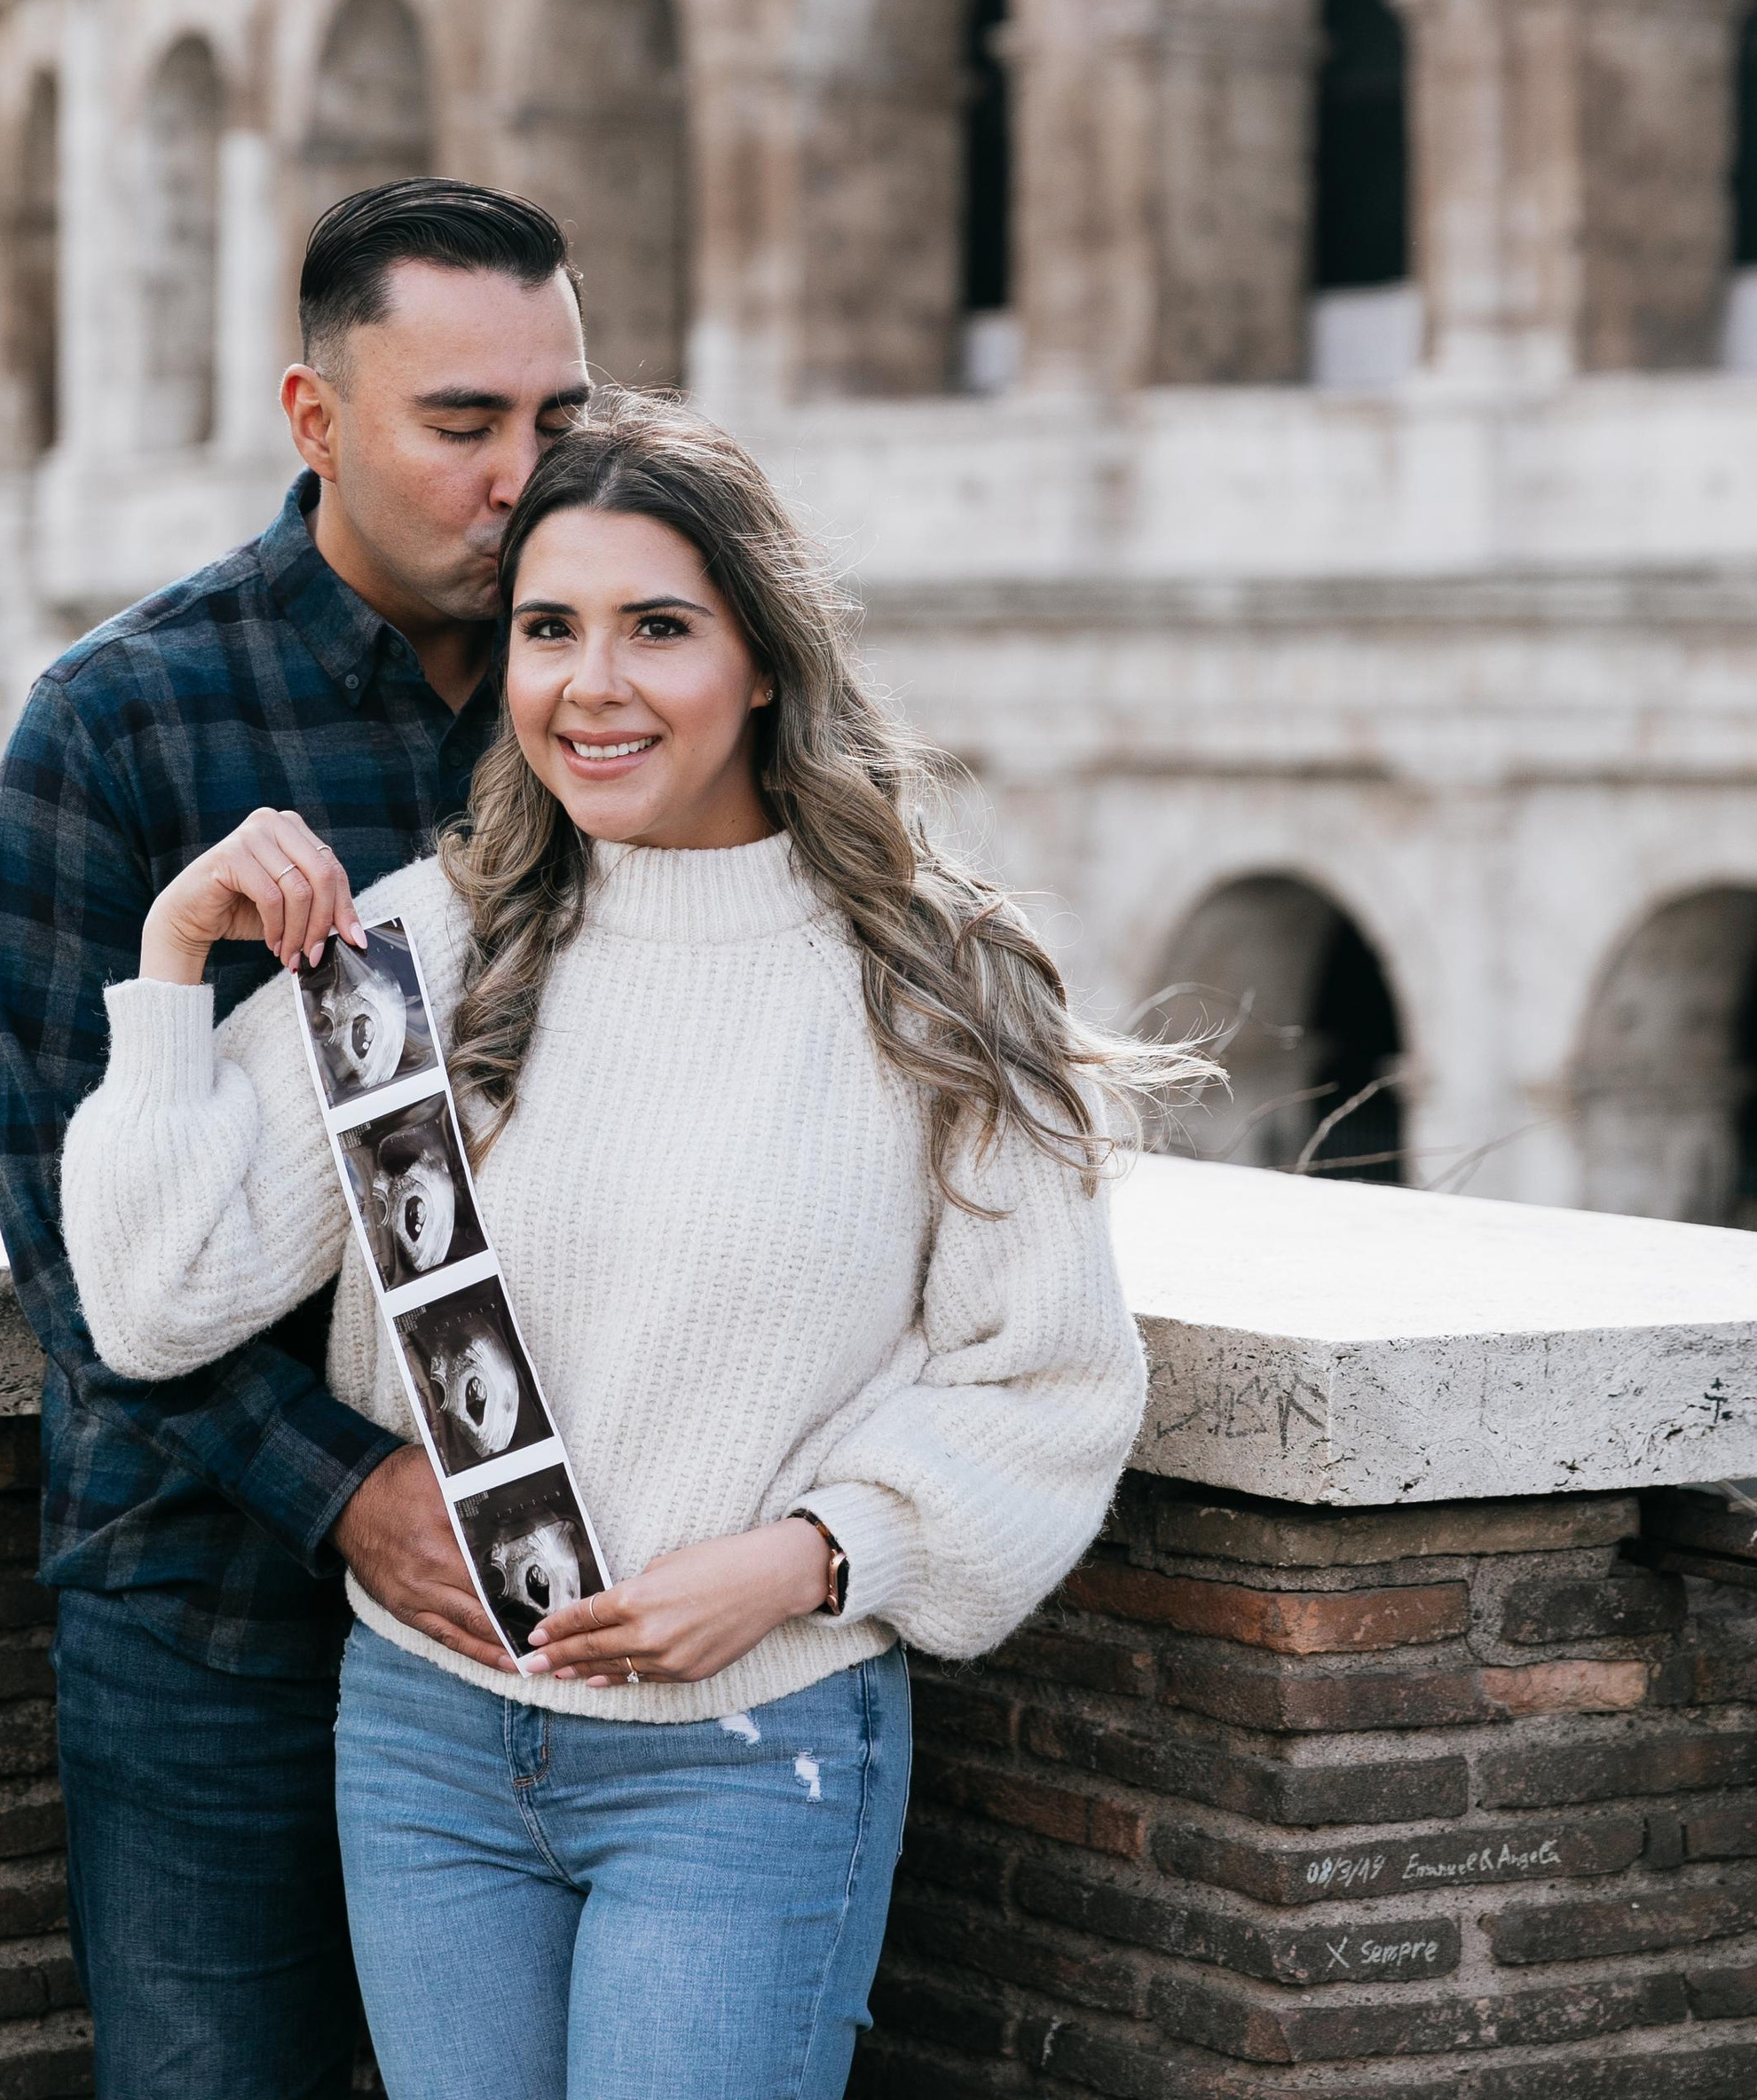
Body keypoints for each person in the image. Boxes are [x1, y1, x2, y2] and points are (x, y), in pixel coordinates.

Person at [62, 392, 1207, 2100]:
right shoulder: (417, 956)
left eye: (655, 628)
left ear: (762, 660)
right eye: (547, 630)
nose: (590, 685)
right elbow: (155, 1306)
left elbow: (1043, 1381)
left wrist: (804, 1562)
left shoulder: (933, 984)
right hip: (427, 1743)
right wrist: (170, 965)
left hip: (748, 1755)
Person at [0, 178, 590, 2100]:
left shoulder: (628, 698)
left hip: (559, 1620)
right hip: (210, 1624)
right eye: (462, 424)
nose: (523, 473)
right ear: (315, 421)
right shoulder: (118, 721)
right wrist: (349, 1493)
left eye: (560, 419)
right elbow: (62, 1235)